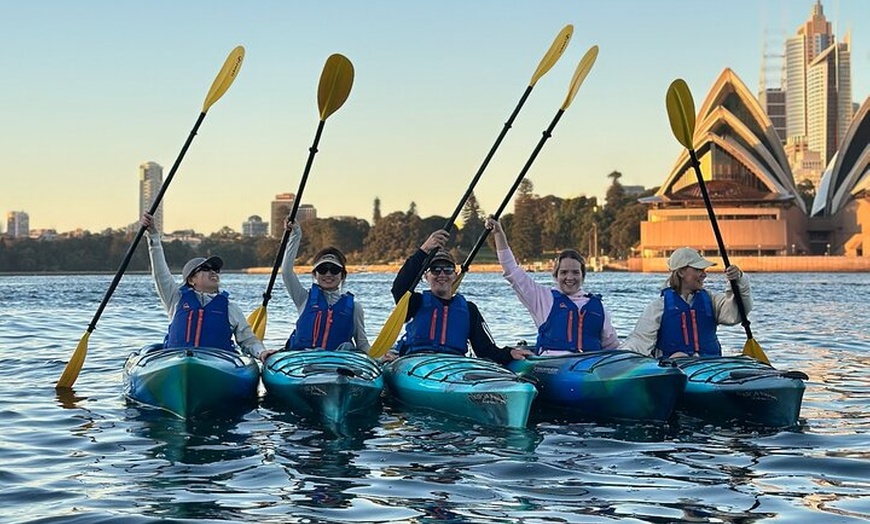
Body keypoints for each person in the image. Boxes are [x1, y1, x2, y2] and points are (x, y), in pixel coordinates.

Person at [384, 228, 533, 364]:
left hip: (453, 366)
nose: (442, 274)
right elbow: (399, 287)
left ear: (454, 276)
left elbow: (485, 350)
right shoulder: (414, 303)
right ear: (426, 277)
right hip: (417, 364)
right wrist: (424, 250)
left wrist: (509, 353)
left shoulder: (469, 309)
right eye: (436, 270)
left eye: (448, 269)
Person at [485, 217, 619, 355]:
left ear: (583, 275)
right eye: (564, 272)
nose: (570, 277)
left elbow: (612, 347)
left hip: (591, 366)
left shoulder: (598, 307)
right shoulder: (542, 298)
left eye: (575, 272)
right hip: (553, 365)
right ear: (556, 275)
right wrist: (499, 234)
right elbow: (511, 271)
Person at [141, 212, 265, 360]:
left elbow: (248, 341)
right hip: (178, 360)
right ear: (191, 279)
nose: (213, 272)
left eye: (215, 270)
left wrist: (262, 353)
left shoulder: (230, 308)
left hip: (218, 364)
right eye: (206, 269)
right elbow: (161, 274)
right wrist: (153, 236)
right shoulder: (175, 299)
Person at [259, 219, 369, 362]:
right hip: (303, 362)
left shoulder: (355, 307)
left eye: (334, 270)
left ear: (342, 275)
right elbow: (286, 272)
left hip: (338, 363)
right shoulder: (303, 298)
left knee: (347, 347)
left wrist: (380, 357)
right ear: (315, 274)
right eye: (322, 269)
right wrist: (296, 235)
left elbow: (362, 344)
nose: (328, 274)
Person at [620, 247, 752, 358]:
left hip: (710, 367)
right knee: (679, 356)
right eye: (698, 270)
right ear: (681, 272)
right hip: (674, 371)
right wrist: (618, 358)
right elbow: (638, 342)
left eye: (704, 270)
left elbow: (736, 314)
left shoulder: (711, 301)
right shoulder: (658, 307)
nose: (704, 275)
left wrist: (739, 280)